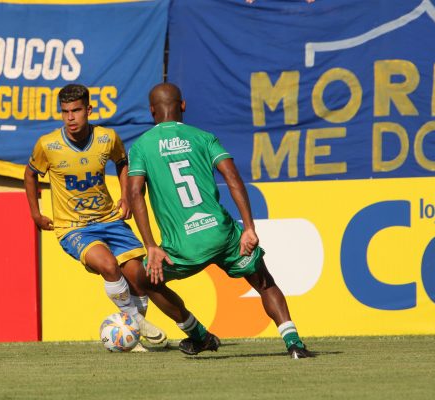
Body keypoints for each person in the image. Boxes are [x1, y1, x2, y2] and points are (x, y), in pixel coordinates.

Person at [128, 82, 312, 358]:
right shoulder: (204, 137)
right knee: (264, 282)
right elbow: (233, 178)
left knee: (144, 282)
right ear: (183, 106)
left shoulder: (141, 146)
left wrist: (151, 245)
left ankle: (199, 335)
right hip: (222, 234)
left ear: (151, 111)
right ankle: (294, 344)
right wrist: (249, 227)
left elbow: (134, 193)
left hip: (183, 246)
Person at [24, 83, 169, 352]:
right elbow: (30, 173)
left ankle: (131, 337)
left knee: (138, 276)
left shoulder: (107, 138)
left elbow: (122, 163)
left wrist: (125, 196)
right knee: (109, 266)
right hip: (74, 228)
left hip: (110, 220)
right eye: (65, 112)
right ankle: (137, 323)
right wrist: (36, 213)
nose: (70, 118)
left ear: (88, 110)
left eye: (76, 111)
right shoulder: (49, 145)